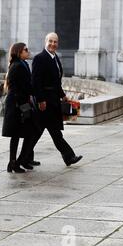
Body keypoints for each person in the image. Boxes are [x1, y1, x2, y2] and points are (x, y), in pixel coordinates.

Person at [31, 33, 83, 167]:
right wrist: (41, 100)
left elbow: (56, 82)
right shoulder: (39, 58)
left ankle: (23, 159)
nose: (53, 44)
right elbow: (36, 82)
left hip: (53, 100)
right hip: (45, 103)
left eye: (55, 42)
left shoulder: (55, 58)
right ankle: (69, 156)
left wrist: (63, 95)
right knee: (53, 132)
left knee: (39, 132)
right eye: (50, 41)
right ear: (45, 42)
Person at [2, 43, 36, 174]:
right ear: (19, 52)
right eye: (25, 50)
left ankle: (16, 162)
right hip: (18, 105)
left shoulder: (22, 64)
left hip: (20, 103)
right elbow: (22, 87)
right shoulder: (17, 66)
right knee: (24, 133)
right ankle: (15, 162)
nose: (28, 52)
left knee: (20, 134)